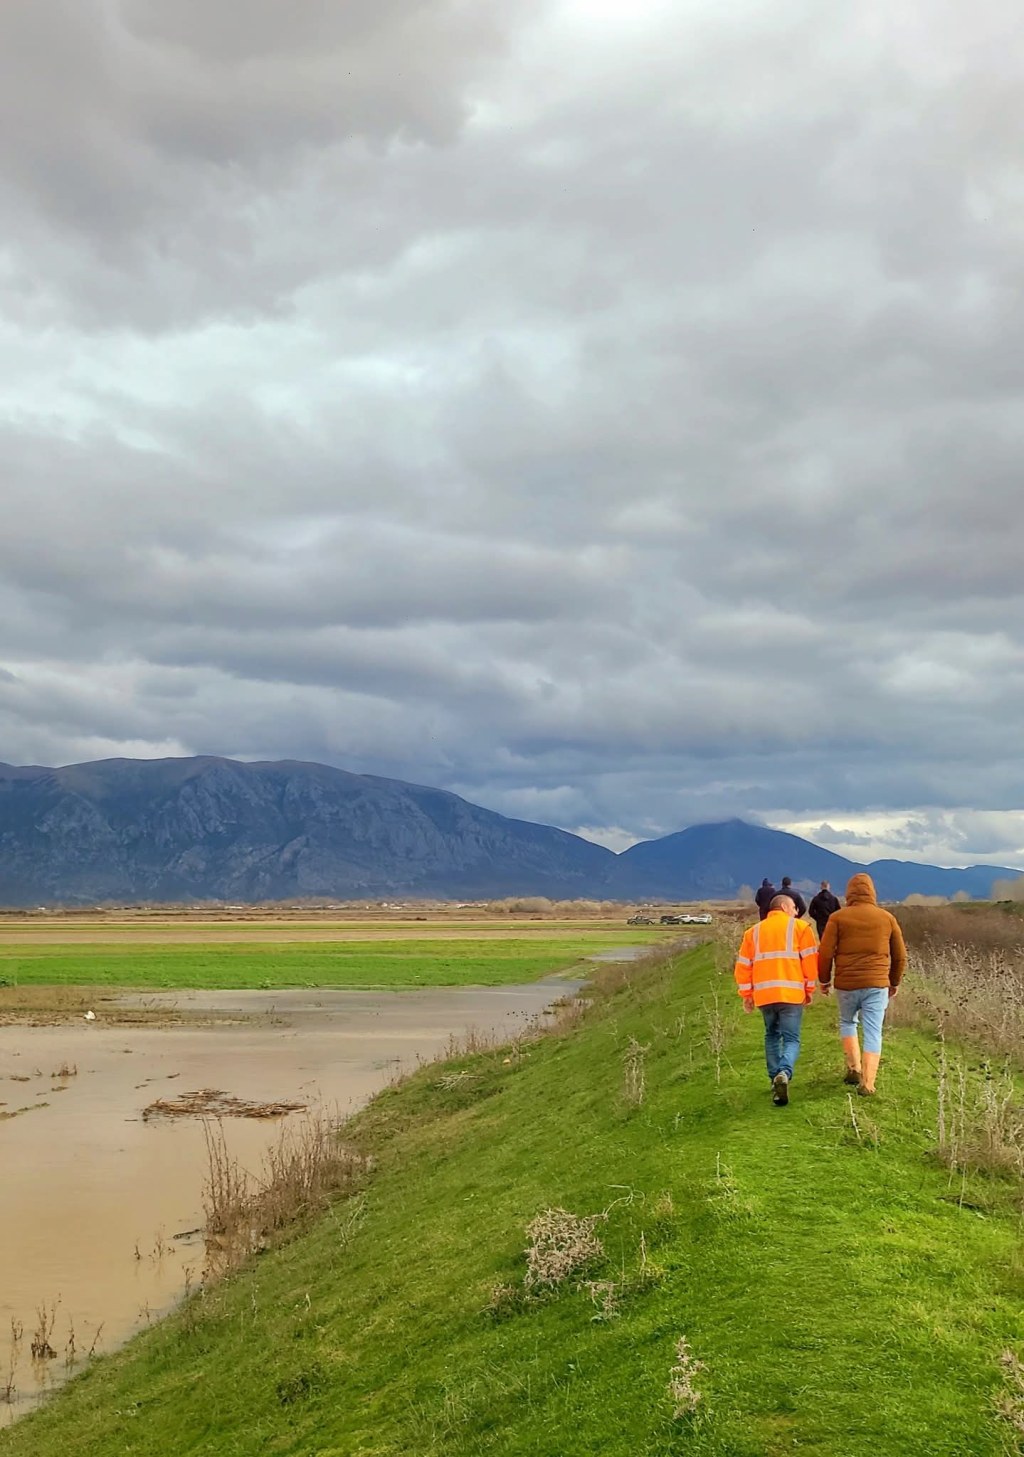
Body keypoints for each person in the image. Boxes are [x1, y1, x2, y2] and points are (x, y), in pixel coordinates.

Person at [817, 872, 907, 1096]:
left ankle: (854, 1068)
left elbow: (825, 953)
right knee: (873, 1030)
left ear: (849, 893)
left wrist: (824, 980)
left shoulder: (837, 918)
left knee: (848, 1022)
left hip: (846, 984)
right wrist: (894, 982)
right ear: (872, 892)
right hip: (877, 985)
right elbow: (900, 956)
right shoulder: (887, 918)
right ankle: (868, 1083)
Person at [734, 894, 818, 1106]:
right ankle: (784, 1072)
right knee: (791, 1039)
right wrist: (809, 989)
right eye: (794, 907)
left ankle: (774, 1080)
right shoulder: (801, 928)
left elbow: (743, 967)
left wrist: (747, 995)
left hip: (764, 995)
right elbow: (810, 964)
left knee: (771, 1035)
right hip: (791, 993)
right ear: (784, 907)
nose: (796, 911)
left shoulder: (753, 932)